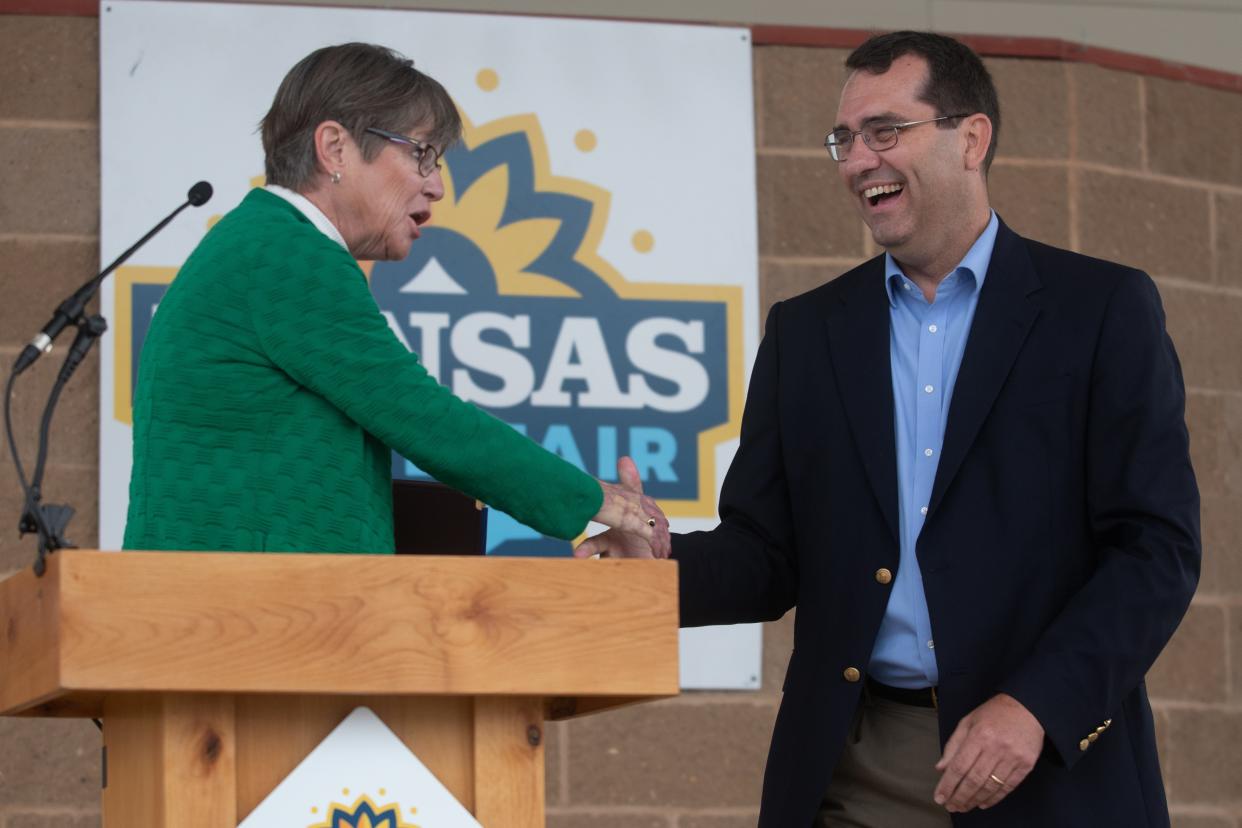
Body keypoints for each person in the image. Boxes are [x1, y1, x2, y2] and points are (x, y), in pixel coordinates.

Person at [579, 31, 1199, 827]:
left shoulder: (1101, 310)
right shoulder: (806, 333)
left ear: (970, 138)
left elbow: (1156, 549)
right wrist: (660, 570)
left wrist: (1037, 706)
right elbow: (769, 554)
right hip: (854, 767)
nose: (857, 159)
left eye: (885, 131)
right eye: (845, 138)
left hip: (1043, 765)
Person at [123, 43, 668, 557]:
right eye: (423, 155)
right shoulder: (285, 250)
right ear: (335, 148)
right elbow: (427, 421)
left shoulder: (268, 242)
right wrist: (604, 504)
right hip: (236, 625)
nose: (436, 187)